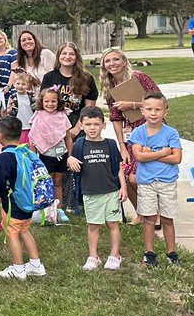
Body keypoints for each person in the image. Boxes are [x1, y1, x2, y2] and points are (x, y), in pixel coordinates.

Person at [99, 48, 161, 224]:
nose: (112, 63)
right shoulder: (109, 86)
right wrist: (121, 146)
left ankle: (153, 215)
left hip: (151, 131)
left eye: (116, 59)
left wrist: (132, 104)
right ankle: (141, 213)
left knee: (139, 177)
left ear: (124, 61)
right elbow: (115, 118)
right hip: (131, 135)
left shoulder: (139, 78)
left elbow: (160, 102)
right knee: (127, 176)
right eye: (108, 61)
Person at [68, 106, 126, 271]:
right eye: (88, 124)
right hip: (90, 192)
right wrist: (70, 159)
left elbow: (118, 167)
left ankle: (115, 255)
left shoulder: (110, 144)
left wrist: (123, 187)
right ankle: (93, 256)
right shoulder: (79, 144)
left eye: (96, 124)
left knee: (112, 223)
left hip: (111, 191)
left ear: (103, 125)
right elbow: (72, 161)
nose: (92, 128)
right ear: (82, 125)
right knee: (93, 225)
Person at [128, 93, 183, 266]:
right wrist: (163, 152)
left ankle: (171, 252)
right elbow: (138, 156)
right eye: (149, 109)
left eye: (158, 109)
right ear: (142, 111)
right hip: (146, 182)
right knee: (149, 218)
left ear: (165, 112)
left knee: (167, 218)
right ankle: (149, 253)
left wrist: (149, 153)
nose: (153, 113)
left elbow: (177, 159)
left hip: (167, 181)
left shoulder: (171, 133)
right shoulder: (138, 132)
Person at [0, 118, 47, 280]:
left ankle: (18, 269)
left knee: (12, 233)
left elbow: (0, 181)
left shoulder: (5, 157)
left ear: (0, 136)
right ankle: (36, 265)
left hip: (13, 201)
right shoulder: (25, 152)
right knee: (24, 230)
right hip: (28, 200)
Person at [27, 87, 72, 220]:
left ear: (58, 102)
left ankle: (59, 209)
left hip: (61, 155)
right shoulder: (38, 116)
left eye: (53, 101)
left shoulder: (62, 116)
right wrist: (34, 160)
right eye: (47, 101)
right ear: (42, 101)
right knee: (46, 182)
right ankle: (46, 209)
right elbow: (33, 140)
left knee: (58, 182)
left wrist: (70, 156)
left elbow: (68, 138)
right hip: (45, 156)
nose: (50, 104)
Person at [40, 42, 99, 135]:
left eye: (72, 54)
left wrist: (77, 128)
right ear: (59, 56)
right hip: (54, 123)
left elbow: (89, 108)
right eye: (64, 53)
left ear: (77, 57)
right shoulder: (49, 77)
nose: (67, 57)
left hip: (79, 122)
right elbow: (44, 105)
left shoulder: (87, 78)